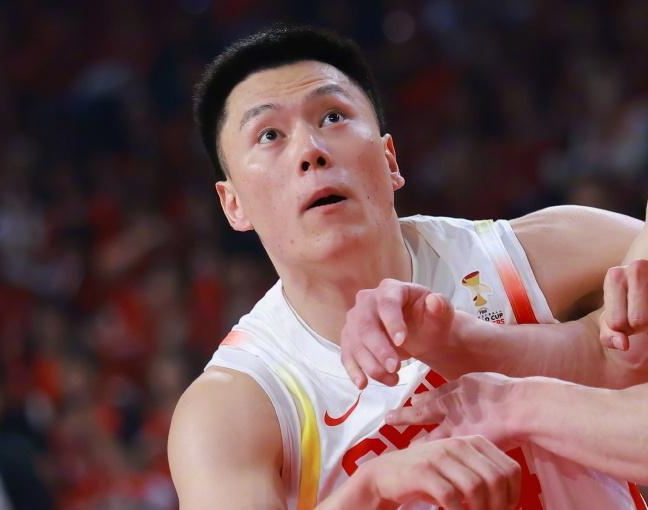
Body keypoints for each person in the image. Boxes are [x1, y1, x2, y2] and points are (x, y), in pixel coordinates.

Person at [168, 25, 644, 509]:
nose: (310, 150)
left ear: (389, 159)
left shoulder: (530, 255)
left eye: (332, 116)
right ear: (233, 205)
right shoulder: (234, 403)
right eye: (269, 135)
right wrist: (372, 489)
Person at [376, 208, 648, 487]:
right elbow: (609, 356)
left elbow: (614, 361)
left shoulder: (517, 250)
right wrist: (465, 343)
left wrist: (520, 404)